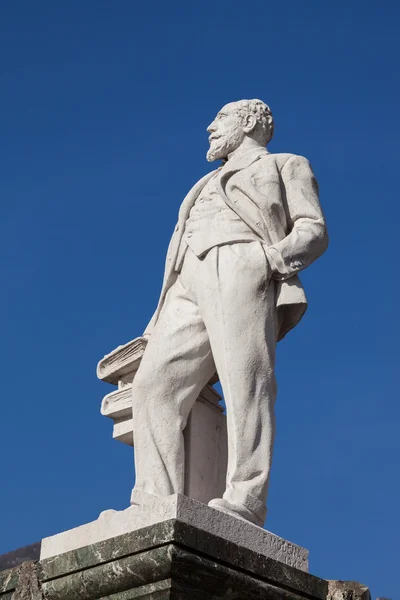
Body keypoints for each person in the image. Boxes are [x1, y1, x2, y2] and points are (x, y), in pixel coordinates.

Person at [130, 99, 328, 527]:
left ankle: (245, 496)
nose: (209, 127)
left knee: (246, 380)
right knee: (152, 384)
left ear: (250, 122)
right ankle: (153, 498)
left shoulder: (286, 164)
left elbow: (312, 229)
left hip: (242, 264)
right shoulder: (202, 183)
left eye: (219, 119)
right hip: (188, 279)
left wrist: (269, 260)